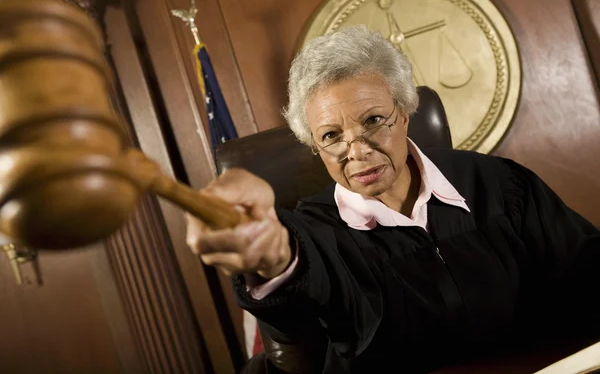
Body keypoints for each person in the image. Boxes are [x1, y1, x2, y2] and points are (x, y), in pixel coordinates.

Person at [185, 25, 600, 373]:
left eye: (373, 121)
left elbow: (586, 271)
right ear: (313, 145)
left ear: (404, 112)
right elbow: (294, 281)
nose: (357, 150)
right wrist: (271, 250)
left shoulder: (496, 183)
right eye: (331, 136)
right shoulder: (315, 236)